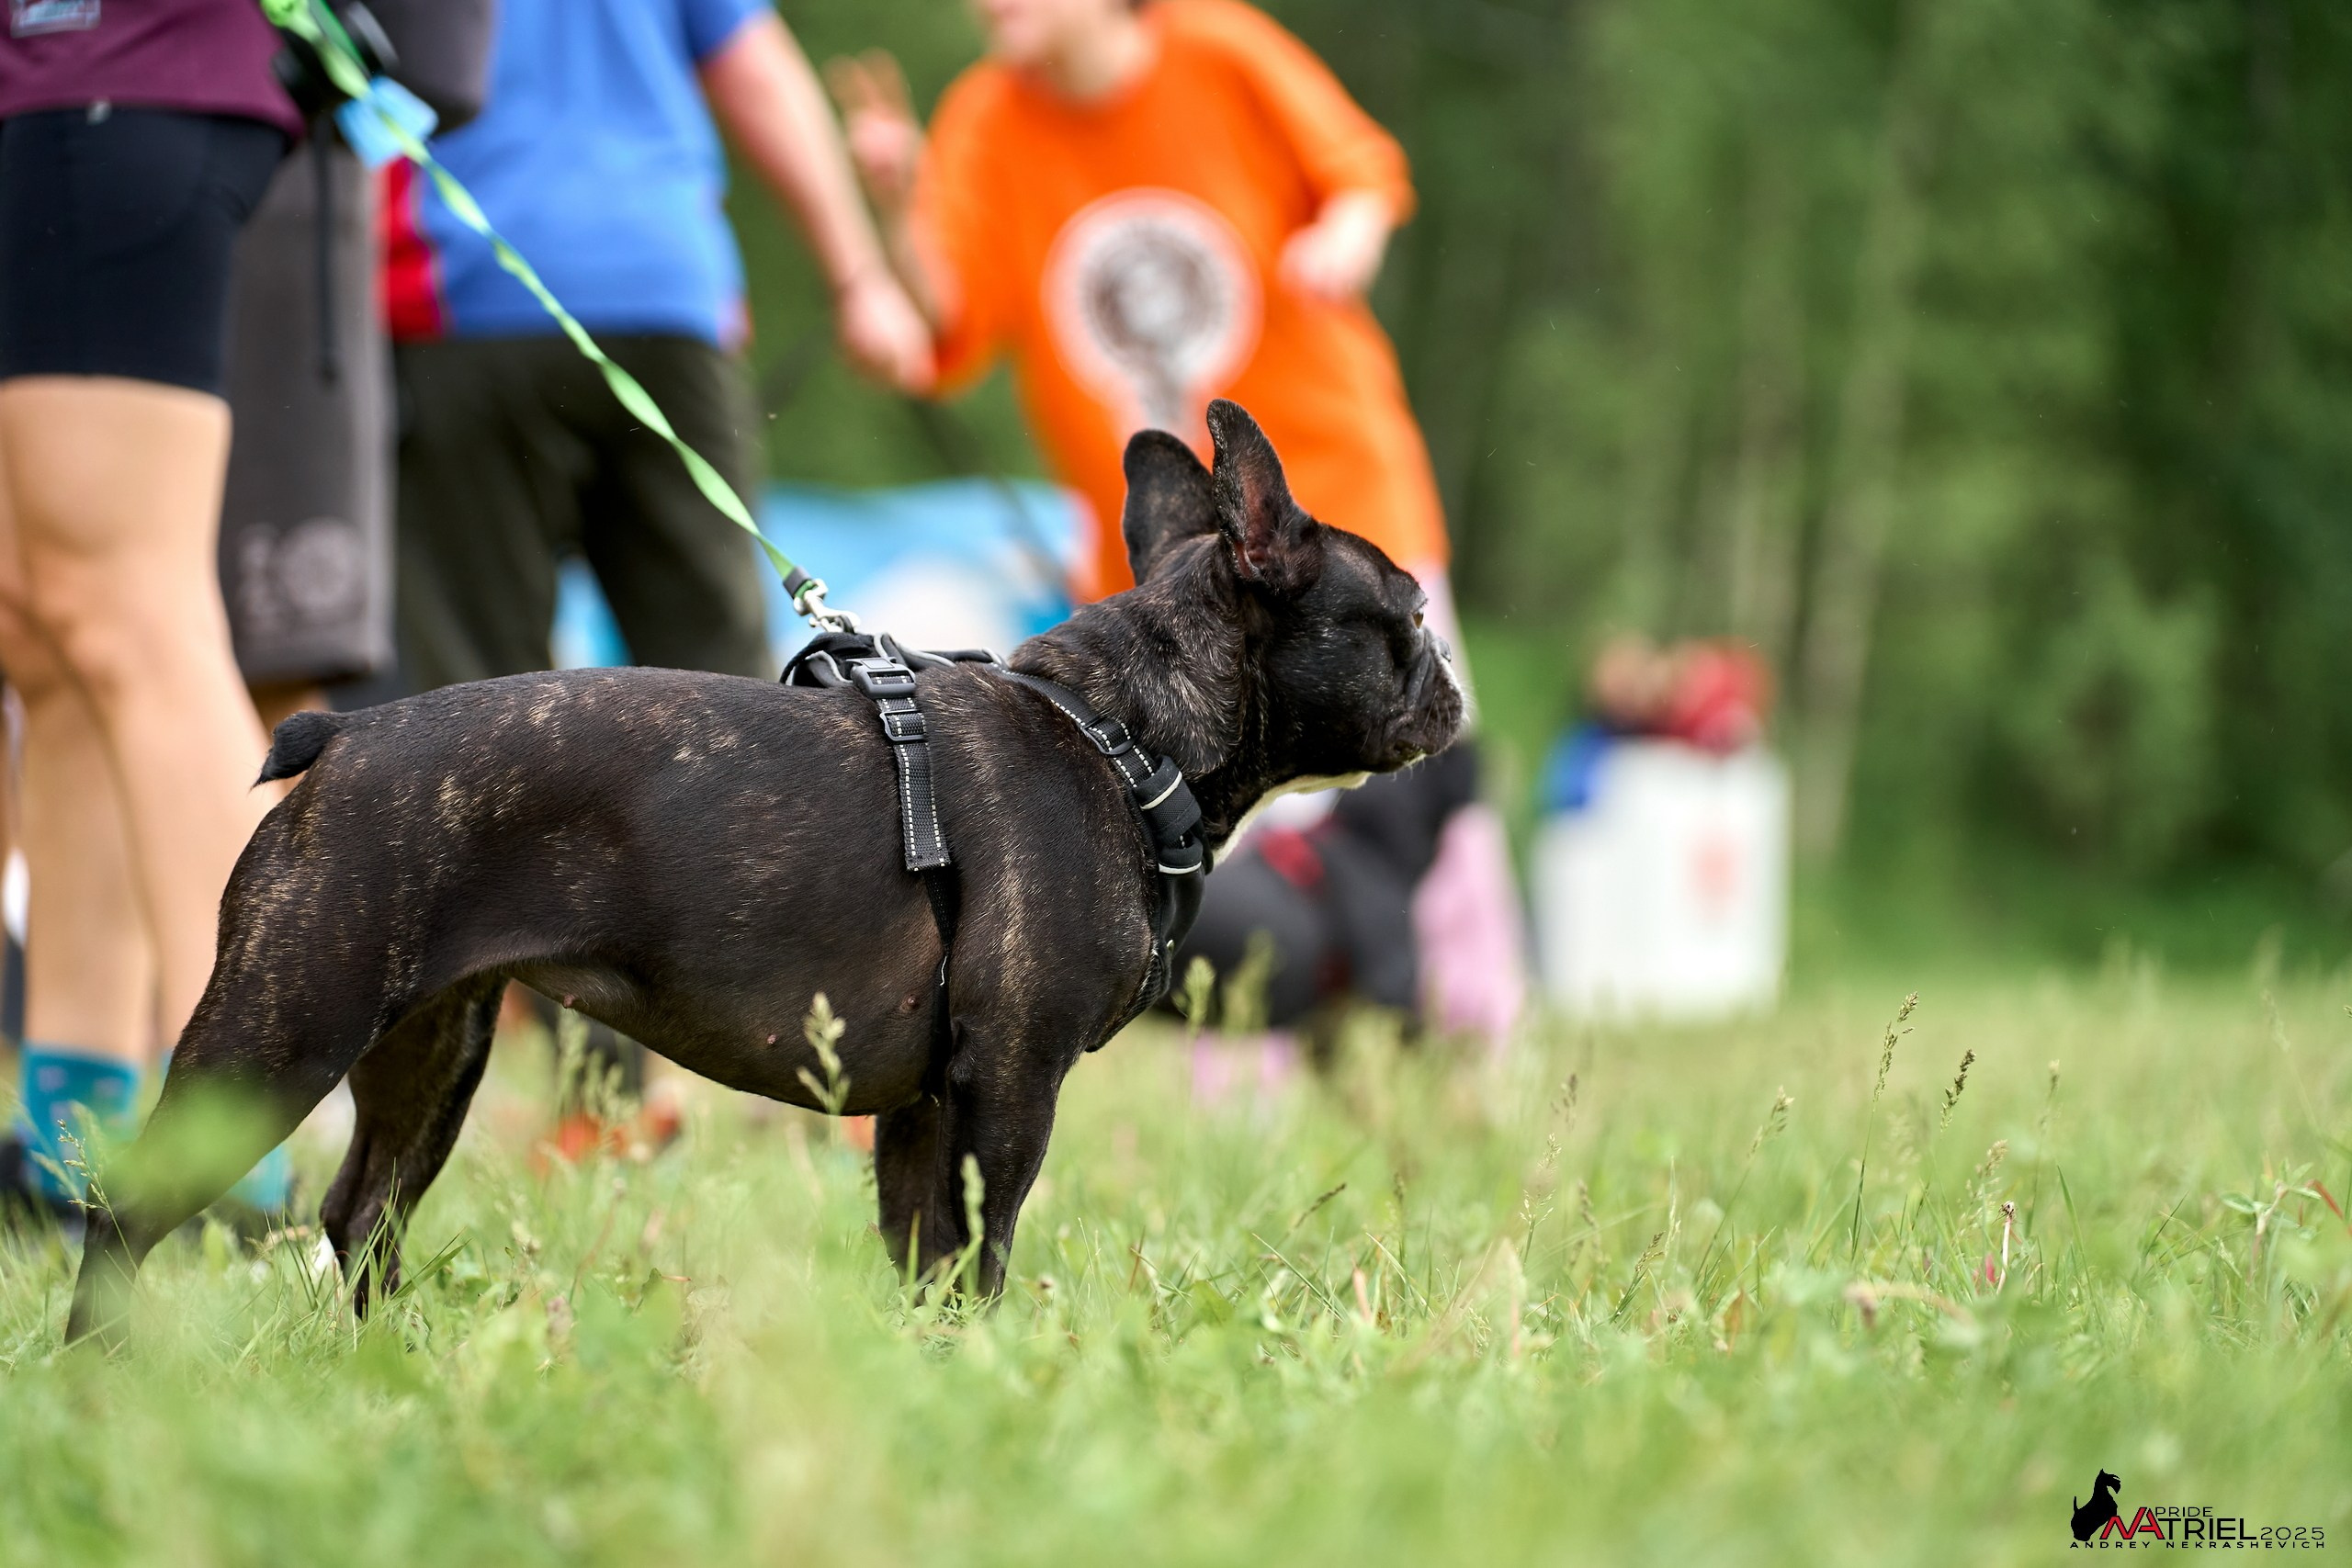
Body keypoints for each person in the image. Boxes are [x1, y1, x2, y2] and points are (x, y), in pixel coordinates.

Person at [831, 0, 1523, 1042]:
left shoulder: (1218, 48)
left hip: (1340, 512)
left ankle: (1477, 1039)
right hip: (1172, 554)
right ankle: (1237, 1076)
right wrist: (891, 206)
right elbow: (949, 320)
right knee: (1188, 818)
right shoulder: (987, 115)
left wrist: (1342, 235)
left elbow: (1361, 170)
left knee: (1420, 769)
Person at [385, 0, 934, 693]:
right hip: (661, 287)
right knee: (731, 697)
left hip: (463, 297)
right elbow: (758, 72)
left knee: (477, 699)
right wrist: (858, 279)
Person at [0, 0, 297, 1207]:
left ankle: (243, 1146)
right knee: (52, 629)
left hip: (117, 88)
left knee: (135, 613)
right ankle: (72, 1143)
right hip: (72, 99)